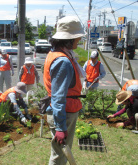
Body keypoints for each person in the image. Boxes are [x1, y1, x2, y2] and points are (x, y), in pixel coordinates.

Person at [43, 16, 85, 164]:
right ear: (68, 39)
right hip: (64, 114)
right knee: (59, 157)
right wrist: (60, 127)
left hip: (64, 111)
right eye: (77, 37)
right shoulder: (63, 61)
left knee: (59, 155)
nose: (79, 40)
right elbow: (58, 97)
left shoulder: (56, 54)